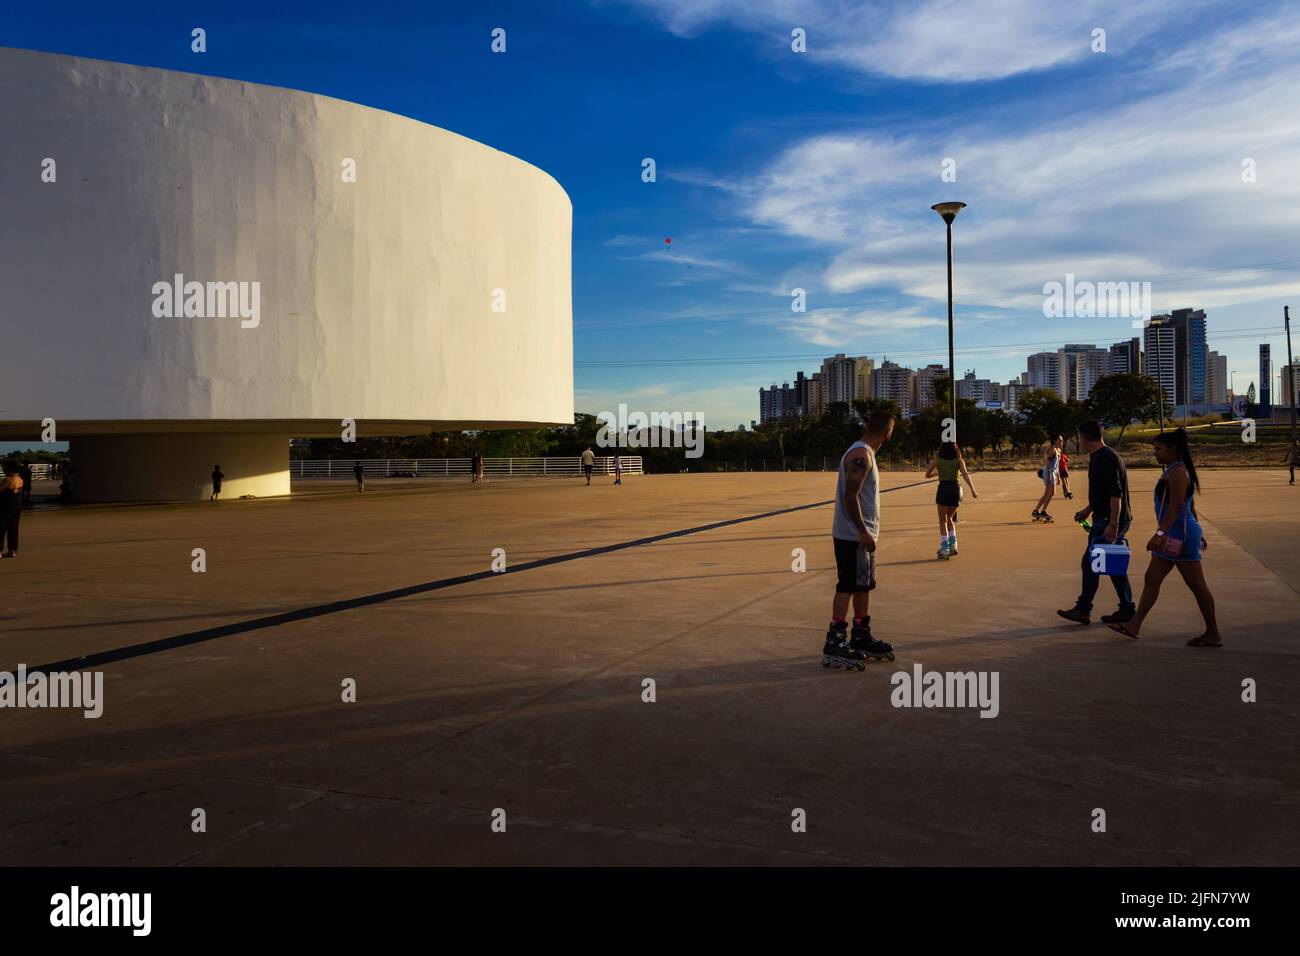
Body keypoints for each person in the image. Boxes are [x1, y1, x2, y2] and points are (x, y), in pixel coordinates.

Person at [1108, 429, 1220, 646]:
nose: (1155, 453)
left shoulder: (1178, 472)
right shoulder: (1172, 470)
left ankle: (1213, 633)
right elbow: (1189, 505)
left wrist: (1160, 534)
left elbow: (1177, 507)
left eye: (1159, 449)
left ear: (1173, 450)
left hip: (1177, 536)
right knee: (1152, 578)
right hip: (1175, 535)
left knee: (1196, 584)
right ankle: (1134, 625)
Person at [821, 410, 897, 670]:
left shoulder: (865, 454)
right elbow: (850, 497)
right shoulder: (861, 455)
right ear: (888, 433)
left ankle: (861, 635)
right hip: (852, 535)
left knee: (863, 586)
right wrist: (863, 531)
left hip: (862, 536)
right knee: (847, 585)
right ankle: (835, 639)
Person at [1057, 420, 1135, 626]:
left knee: (1092, 563)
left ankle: (1084, 609)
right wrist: (1087, 510)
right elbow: (1103, 493)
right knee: (1110, 565)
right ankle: (1126, 608)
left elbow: (1115, 494)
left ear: (1084, 437)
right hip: (1105, 518)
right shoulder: (1101, 456)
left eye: (1079, 438)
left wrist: (1113, 524)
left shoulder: (1105, 459)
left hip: (1108, 520)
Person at [925, 441, 978, 559]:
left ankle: (944, 548)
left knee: (942, 521)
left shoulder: (938, 460)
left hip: (944, 488)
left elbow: (927, 474)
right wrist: (973, 490)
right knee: (950, 518)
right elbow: (965, 475)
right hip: (956, 490)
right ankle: (953, 545)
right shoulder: (959, 461)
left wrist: (937, 472)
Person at [1032, 438, 1060, 521]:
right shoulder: (1053, 450)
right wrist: (1048, 476)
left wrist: (1058, 477)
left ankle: (1036, 510)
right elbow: (1048, 463)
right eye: (1059, 440)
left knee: (1049, 493)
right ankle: (1043, 511)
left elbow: (1056, 466)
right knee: (1049, 493)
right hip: (1049, 473)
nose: (1061, 441)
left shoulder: (1058, 450)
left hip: (1052, 473)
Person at [1, 460, 23, 557]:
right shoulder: (20, 479)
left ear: (9, 469)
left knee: (1, 529)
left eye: (4, 468)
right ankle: (12, 550)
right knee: (13, 529)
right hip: (16, 507)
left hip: (4, 507)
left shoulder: (7, 480)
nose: (3, 469)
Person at [1056, 435, 1074, 500]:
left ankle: (1066, 491)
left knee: (1066, 480)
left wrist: (1061, 441)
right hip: (1060, 469)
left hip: (1064, 468)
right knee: (1064, 480)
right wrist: (1061, 441)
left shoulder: (1062, 455)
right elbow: (1060, 446)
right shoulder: (1058, 452)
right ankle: (1067, 491)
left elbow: (1067, 460)